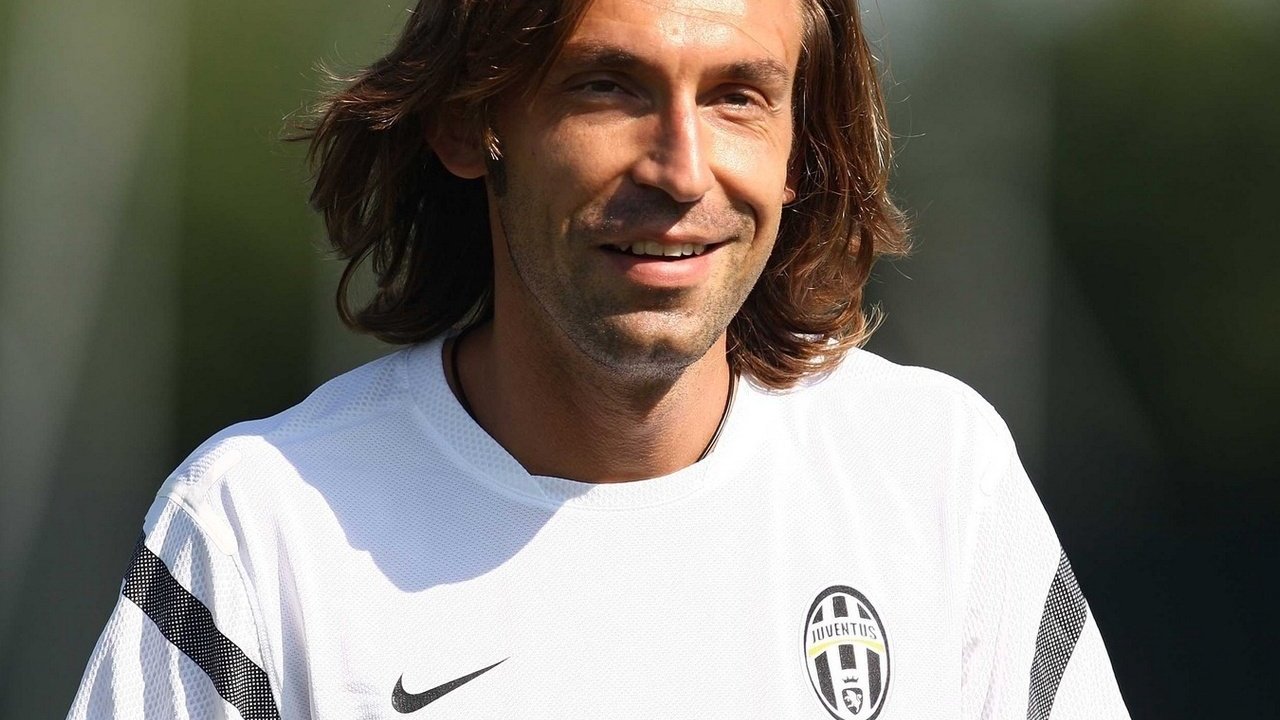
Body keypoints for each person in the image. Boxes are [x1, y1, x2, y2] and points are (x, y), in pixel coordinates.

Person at [68, 0, 1130, 718]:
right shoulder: (259, 528)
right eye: (609, 88)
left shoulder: (936, 476)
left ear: (800, 146)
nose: (681, 170)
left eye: (737, 96)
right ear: (468, 123)